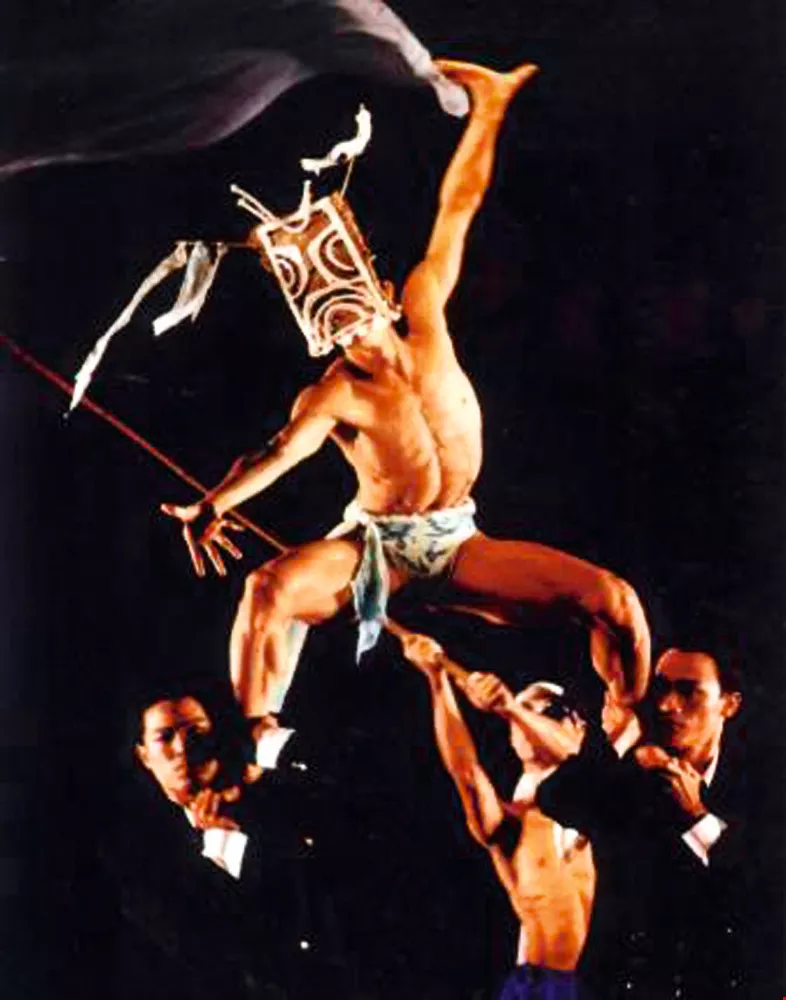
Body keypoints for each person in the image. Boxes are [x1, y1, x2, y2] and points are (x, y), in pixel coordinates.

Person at [162, 59, 651, 727]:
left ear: (386, 295)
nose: (346, 323)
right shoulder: (335, 394)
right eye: (326, 317)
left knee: (613, 600)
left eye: (353, 303)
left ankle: (629, 728)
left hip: (457, 542)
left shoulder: (426, 313)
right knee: (268, 588)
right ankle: (255, 748)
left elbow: (458, 208)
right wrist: (214, 503)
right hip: (377, 550)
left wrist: (489, 110)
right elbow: (278, 454)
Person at [102, 687, 352, 1000]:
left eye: (196, 732)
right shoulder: (142, 856)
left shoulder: (279, 795)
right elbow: (214, 953)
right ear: (143, 756)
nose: (182, 748)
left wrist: (248, 820)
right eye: (164, 737)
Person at [536, 645, 749, 999]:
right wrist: (618, 737)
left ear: (729, 704)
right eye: (661, 688)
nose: (666, 705)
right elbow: (555, 797)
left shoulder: (759, 786)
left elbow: (757, 890)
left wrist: (697, 817)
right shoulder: (631, 773)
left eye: (688, 691)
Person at [400, 628, 593, 999]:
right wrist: (437, 680)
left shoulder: (600, 792)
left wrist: (512, 708)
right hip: (539, 987)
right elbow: (467, 774)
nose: (526, 722)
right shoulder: (516, 824)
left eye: (550, 711)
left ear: (579, 726)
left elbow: (572, 757)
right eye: (519, 717)